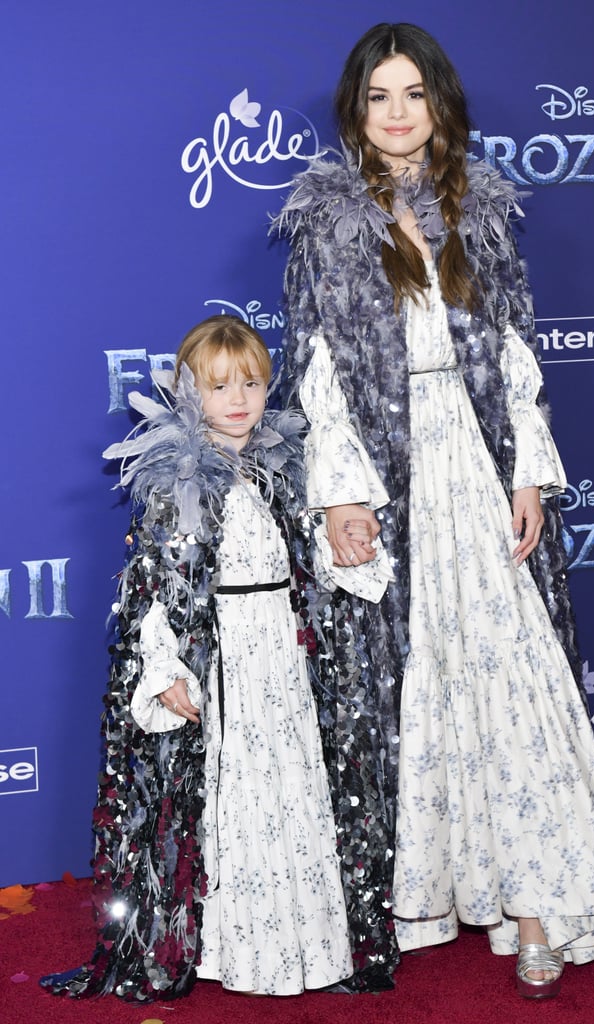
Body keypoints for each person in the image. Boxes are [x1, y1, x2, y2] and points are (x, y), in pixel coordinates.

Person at [273, 22, 594, 998]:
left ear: (440, 105)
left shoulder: (477, 210)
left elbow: (515, 357)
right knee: (417, 689)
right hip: (390, 474)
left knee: (511, 680)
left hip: (474, 465)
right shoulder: (328, 223)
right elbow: (318, 370)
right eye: (378, 98)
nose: (397, 114)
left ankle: (535, 901)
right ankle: (434, 888)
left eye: (413, 95)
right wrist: (342, 492)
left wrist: (526, 472)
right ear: (356, 113)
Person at [41, 315, 352, 1001]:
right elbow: (151, 591)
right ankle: (237, 949)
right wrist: (167, 669)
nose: (238, 399)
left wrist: (345, 551)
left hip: (281, 658)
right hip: (225, 659)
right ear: (188, 393)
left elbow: (312, 565)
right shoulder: (173, 480)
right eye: (218, 386)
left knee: (291, 787)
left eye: (251, 383)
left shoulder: (283, 469)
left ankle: (304, 942)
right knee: (233, 799)